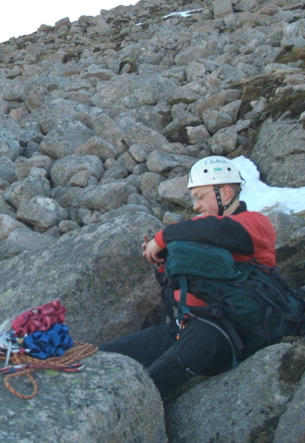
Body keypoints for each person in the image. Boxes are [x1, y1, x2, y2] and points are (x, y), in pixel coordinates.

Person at [99, 156, 278, 398]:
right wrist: (163, 262)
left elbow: (218, 229)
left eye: (199, 197)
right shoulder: (202, 229)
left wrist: (164, 237)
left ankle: (126, 407)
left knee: (155, 378)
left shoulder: (256, 223)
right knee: (106, 355)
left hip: (228, 334)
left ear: (224, 193)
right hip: (186, 325)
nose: (195, 206)